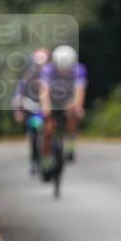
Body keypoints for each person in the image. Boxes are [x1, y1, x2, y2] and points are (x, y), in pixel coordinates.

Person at [38, 45, 87, 178]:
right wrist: (46, 108)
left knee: (75, 113)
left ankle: (71, 144)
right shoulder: (48, 70)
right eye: (61, 68)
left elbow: (80, 92)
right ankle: (46, 160)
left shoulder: (79, 70)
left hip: (68, 101)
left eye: (67, 68)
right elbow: (44, 92)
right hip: (52, 101)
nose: (64, 71)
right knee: (48, 129)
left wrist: (76, 106)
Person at [12, 47, 50, 175]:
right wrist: (18, 110)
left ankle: (51, 156)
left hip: (49, 110)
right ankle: (34, 162)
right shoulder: (26, 78)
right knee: (34, 135)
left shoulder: (52, 76)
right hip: (33, 110)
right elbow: (18, 96)